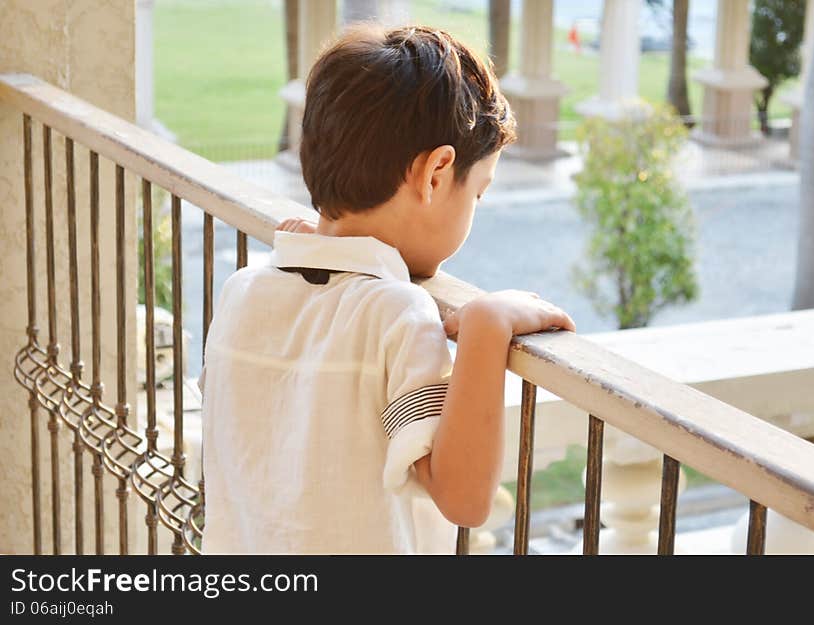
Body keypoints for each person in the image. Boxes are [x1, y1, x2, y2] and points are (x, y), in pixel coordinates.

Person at [200, 24, 576, 554]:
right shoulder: (396, 313)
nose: (476, 209)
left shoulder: (243, 293)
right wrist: (486, 327)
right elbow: (464, 499)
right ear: (436, 173)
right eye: (478, 194)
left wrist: (325, 245)